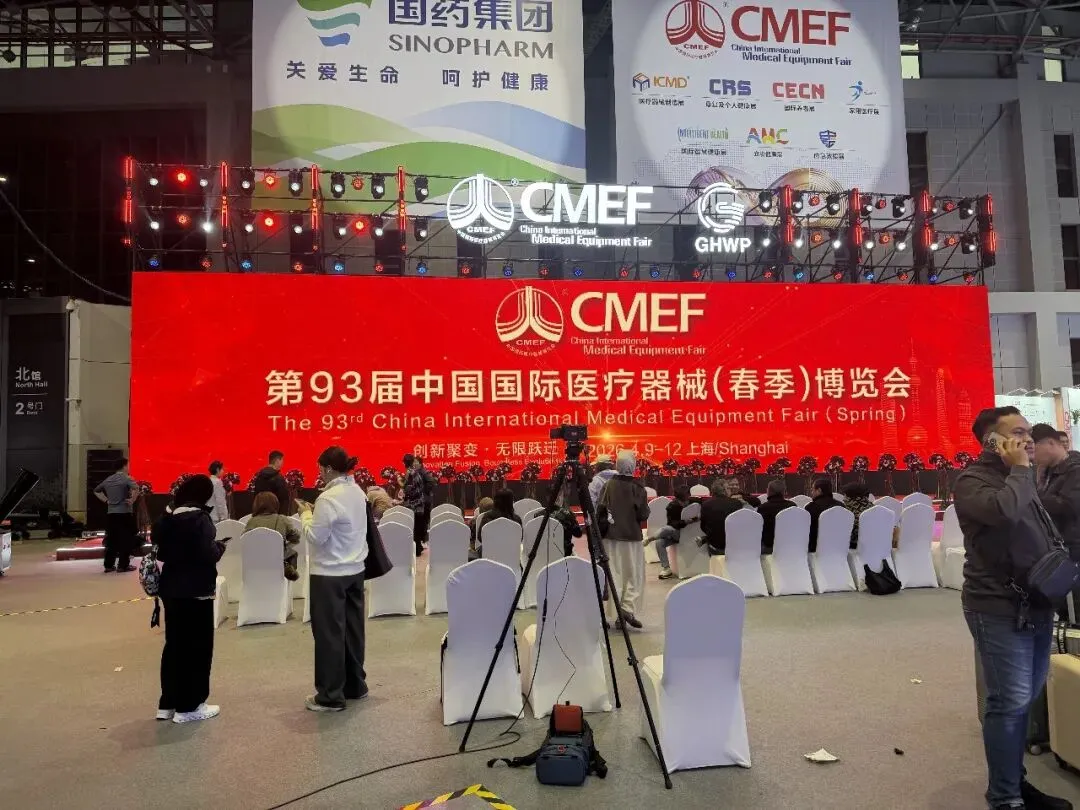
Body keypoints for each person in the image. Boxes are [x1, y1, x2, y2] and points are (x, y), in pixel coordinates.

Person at [953, 406, 1072, 810]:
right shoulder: (973, 480)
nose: (1028, 440)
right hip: (997, 606)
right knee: (1008, 702)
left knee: (1026, 698)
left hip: (1035, 601)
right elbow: (1005, 512)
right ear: (993, 441)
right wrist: (1020, 469)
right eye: (1018, 432)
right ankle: (1004, 797)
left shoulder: (1022, 477)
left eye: (1028, 432)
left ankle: (1016, 783)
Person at [297, 446, 370, 713]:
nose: (319, 473)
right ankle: (355, 686)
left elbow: (316, 537)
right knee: (353, 632)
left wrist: (306, 515)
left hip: (329, 574)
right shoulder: (358, 491)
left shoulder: (328, 499)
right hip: (355, 570)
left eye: (320, 468)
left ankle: (330, 696)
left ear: (328, 468)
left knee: (329, 635)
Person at [154, 475, 224, 724]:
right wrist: (220, 548)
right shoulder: (199, 519)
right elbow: (208, 553)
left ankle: (168, 703)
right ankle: (190, 705)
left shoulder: (167, 518)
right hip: (196, 589)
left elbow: (160, 550)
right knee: (198, 648)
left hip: (171, 589)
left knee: (174, 646)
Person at [597, 452, 649, 629]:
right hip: (632, 537)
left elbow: (600, 510)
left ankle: (619, 612)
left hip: (610, 537)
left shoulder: (608, 485)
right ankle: (626, 610)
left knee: (615, 575)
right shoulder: (638, 487)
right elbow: (643, 514)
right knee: (633, 575)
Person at [1033, 423, 1080, 562]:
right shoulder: (1046, 470)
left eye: (1034, 450)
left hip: (1073, 546)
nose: (1033, 456)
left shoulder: (1075, 469)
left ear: (1050, 443)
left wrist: (1035, 497)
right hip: (1057, 545)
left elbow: (1069, 505)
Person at [94, 457, 139, 573]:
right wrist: (132, 500)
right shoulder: (126, 478)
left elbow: (96, 490)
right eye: (128, 465)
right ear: (124, 466)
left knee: (111, 539)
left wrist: (106, 500)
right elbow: (136, 488)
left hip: (111, 514)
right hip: (124, 513)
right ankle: (123, 565)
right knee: (126, 539)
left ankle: (108, 565)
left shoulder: (108, 479)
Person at [243, 492, 301, 581]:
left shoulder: (251, 521)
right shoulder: (282, 519)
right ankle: (288, 573)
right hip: (277, 561)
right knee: (292, 552)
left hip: (256, 562)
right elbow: (296, 537)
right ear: (276, 504)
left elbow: (244, 540)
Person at [645, 485, 698, 580]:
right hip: (677, 533)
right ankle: (666, 568)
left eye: (686, 498)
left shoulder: (695, 502)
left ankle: (650, 538)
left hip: (691, 534)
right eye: (682, 501)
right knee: (660, 541)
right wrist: (685, 522)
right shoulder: (672, 506)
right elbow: (672, 524)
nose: (684, 503)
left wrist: (694, 519)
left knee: (667, 529)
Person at [403, 454, 436, 556]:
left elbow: (410, 489)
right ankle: (418, 547)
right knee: (417, 526)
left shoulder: (412, 473)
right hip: (418, 503)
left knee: (416, 526)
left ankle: (417, 549)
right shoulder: (415, 472)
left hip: (415, 504)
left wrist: (404, 488)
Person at [700, 479, 744, 554]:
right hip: (734, 545)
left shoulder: (705, 504)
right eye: (729, 488)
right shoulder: (737, 503)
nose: (730, 490)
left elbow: (703, 527)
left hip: (715, 546)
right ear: (725, 490)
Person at [475, 489, 521, 556]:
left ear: (495, 501)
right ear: (511, 502)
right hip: (511, 555)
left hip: (488, 555)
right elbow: (520, 539)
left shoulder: (487, 517)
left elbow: (480, 538)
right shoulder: (517, 519)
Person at [756, 480, 795, 554]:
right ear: (784, 492)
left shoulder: (763, 508)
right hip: (789, 546)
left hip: (769, 547)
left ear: (769, 491)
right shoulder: (792, 506)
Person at [544, 483, 583, 557]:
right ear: (560, 497)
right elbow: (578, 534)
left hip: (544, 555)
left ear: (547, 497)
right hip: (563, 556)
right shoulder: (567, 515)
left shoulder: (538, 515)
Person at [805, 478, 840, 552]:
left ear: (819, 490)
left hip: (816, 549)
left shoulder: (811, 507)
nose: (811, 492)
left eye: (812, 490)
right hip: (838, 548)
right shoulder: (841, 506)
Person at [252, 451, 292, 515]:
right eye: (282, 460)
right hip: (276, 517)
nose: (283, 462)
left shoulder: (259, 476)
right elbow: (284, 500)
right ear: (277, 460)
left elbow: (256, 497)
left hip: (260, 515)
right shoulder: (279, 478)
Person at [842, 481, 874, 549]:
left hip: (855, 547)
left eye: (844, 495)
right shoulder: (873, 507)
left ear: (849, 497)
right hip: (874, 545)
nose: (843, 499)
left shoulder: (847, 510)